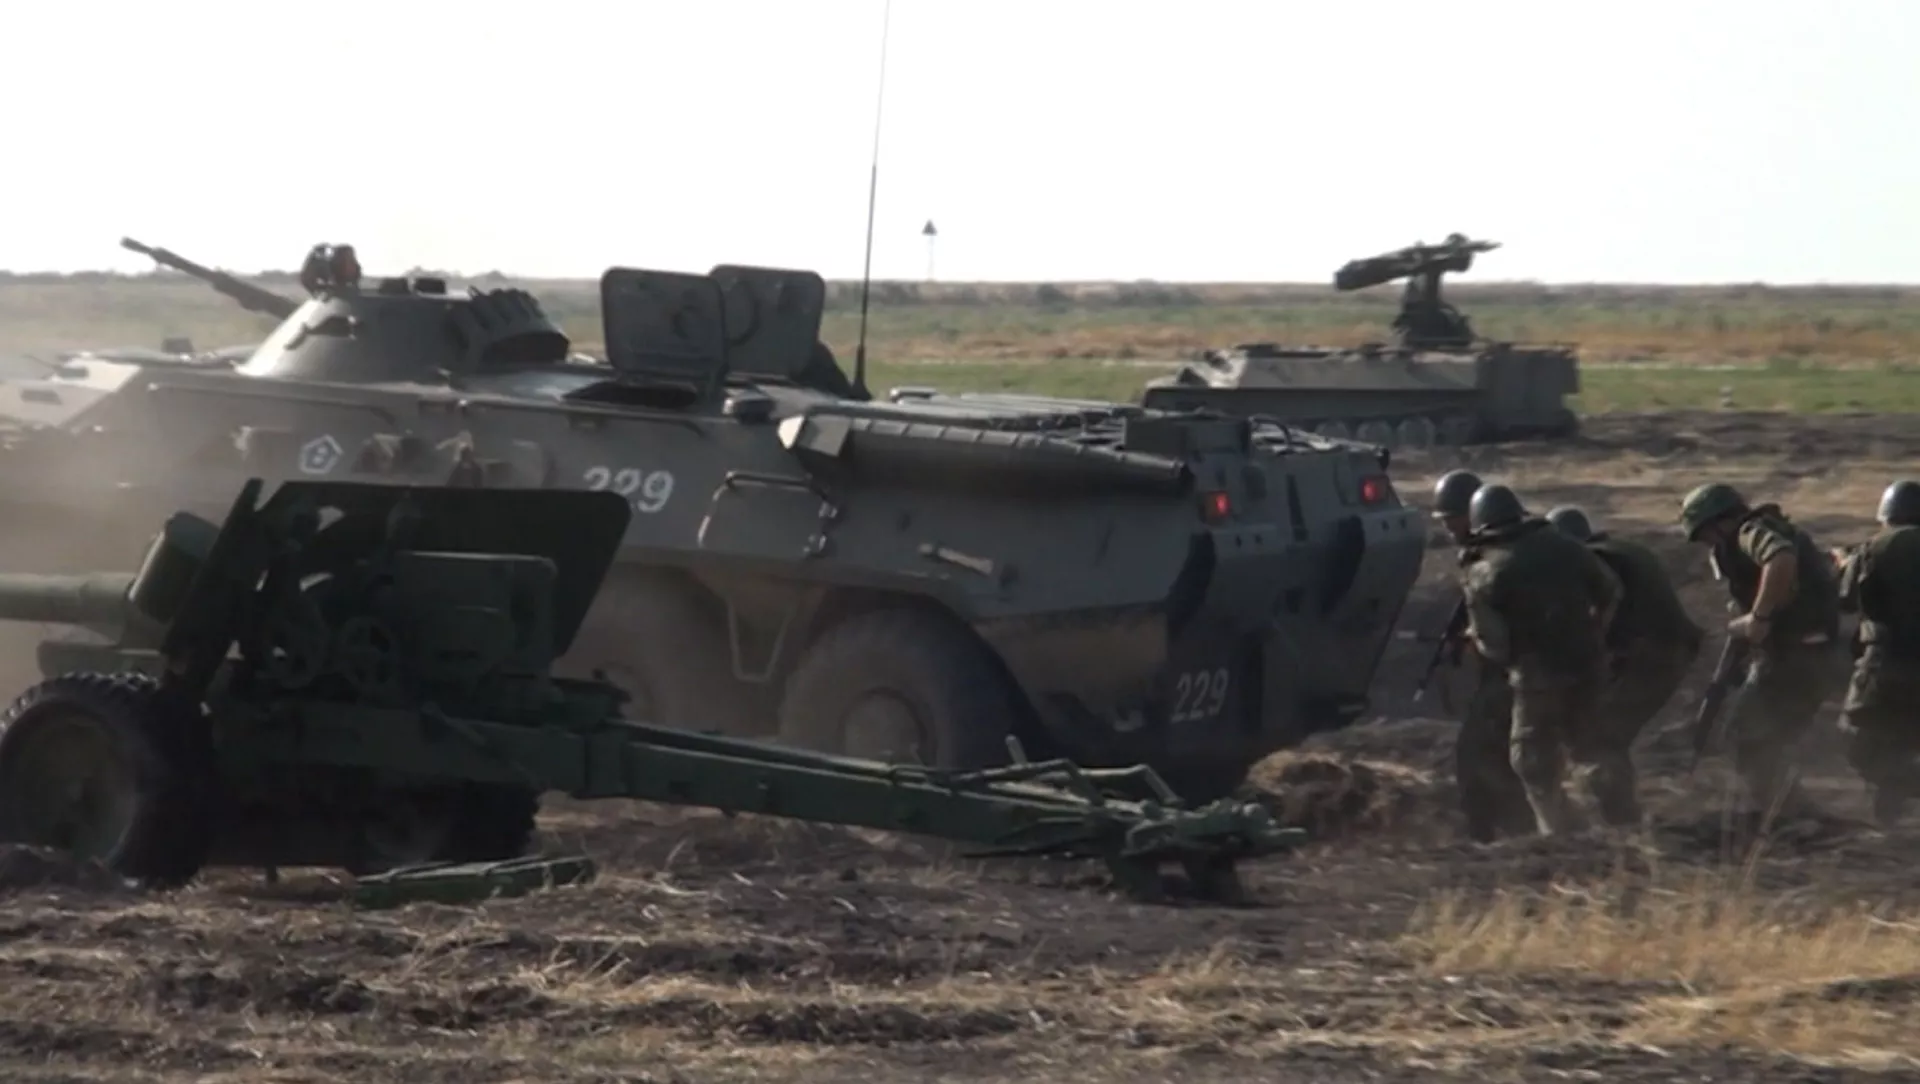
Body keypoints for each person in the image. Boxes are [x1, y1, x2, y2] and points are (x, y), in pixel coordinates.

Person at [1460, 484, 1624, 835]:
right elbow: (1610, 589)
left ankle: (1558, 834)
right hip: (1588, 661)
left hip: (1536, 677)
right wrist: (1594, 631)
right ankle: (1621, 818)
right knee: (1591, 745)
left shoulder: (1484, 572)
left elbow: (1495, 644)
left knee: (1532, 760)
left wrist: (1482, 645)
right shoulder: (1565, 546)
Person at [1677, 482, 1844, 818]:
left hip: (1795, 655)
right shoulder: (1768, 529)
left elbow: (1779, 557)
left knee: (1745, 736)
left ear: (1721, 522)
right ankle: (1795, 815)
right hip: (1809, 652)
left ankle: (1795, 816)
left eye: (1707, 535)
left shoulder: (1750, 532)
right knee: (1766, 739)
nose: (1708, 545)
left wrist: (1759, 617)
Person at [1546, 505, 1706, 817]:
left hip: (1652, 654)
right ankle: (1618, 808)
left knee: (1601, 734)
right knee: (1606, 729)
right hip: (1668, 648)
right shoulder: (1622, 550)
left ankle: (1620, 816)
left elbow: (1607, 601)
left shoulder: (1595, 559)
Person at [1430, 470, 1533, 841]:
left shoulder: (1494, 556)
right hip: (1519, 667)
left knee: (1481, 753)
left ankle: (1499, 830)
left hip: (1520, 668)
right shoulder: (1501, 546)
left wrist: (1476, 639)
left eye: (1451, 520)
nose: (1447, 529)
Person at [1833, 480, 1920, 824]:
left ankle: (1894, 803)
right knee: (1907, 735)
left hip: (1886, 661)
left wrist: (1845, 564)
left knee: (1859, 737)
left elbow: (1846, 600)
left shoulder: (1872, 549)